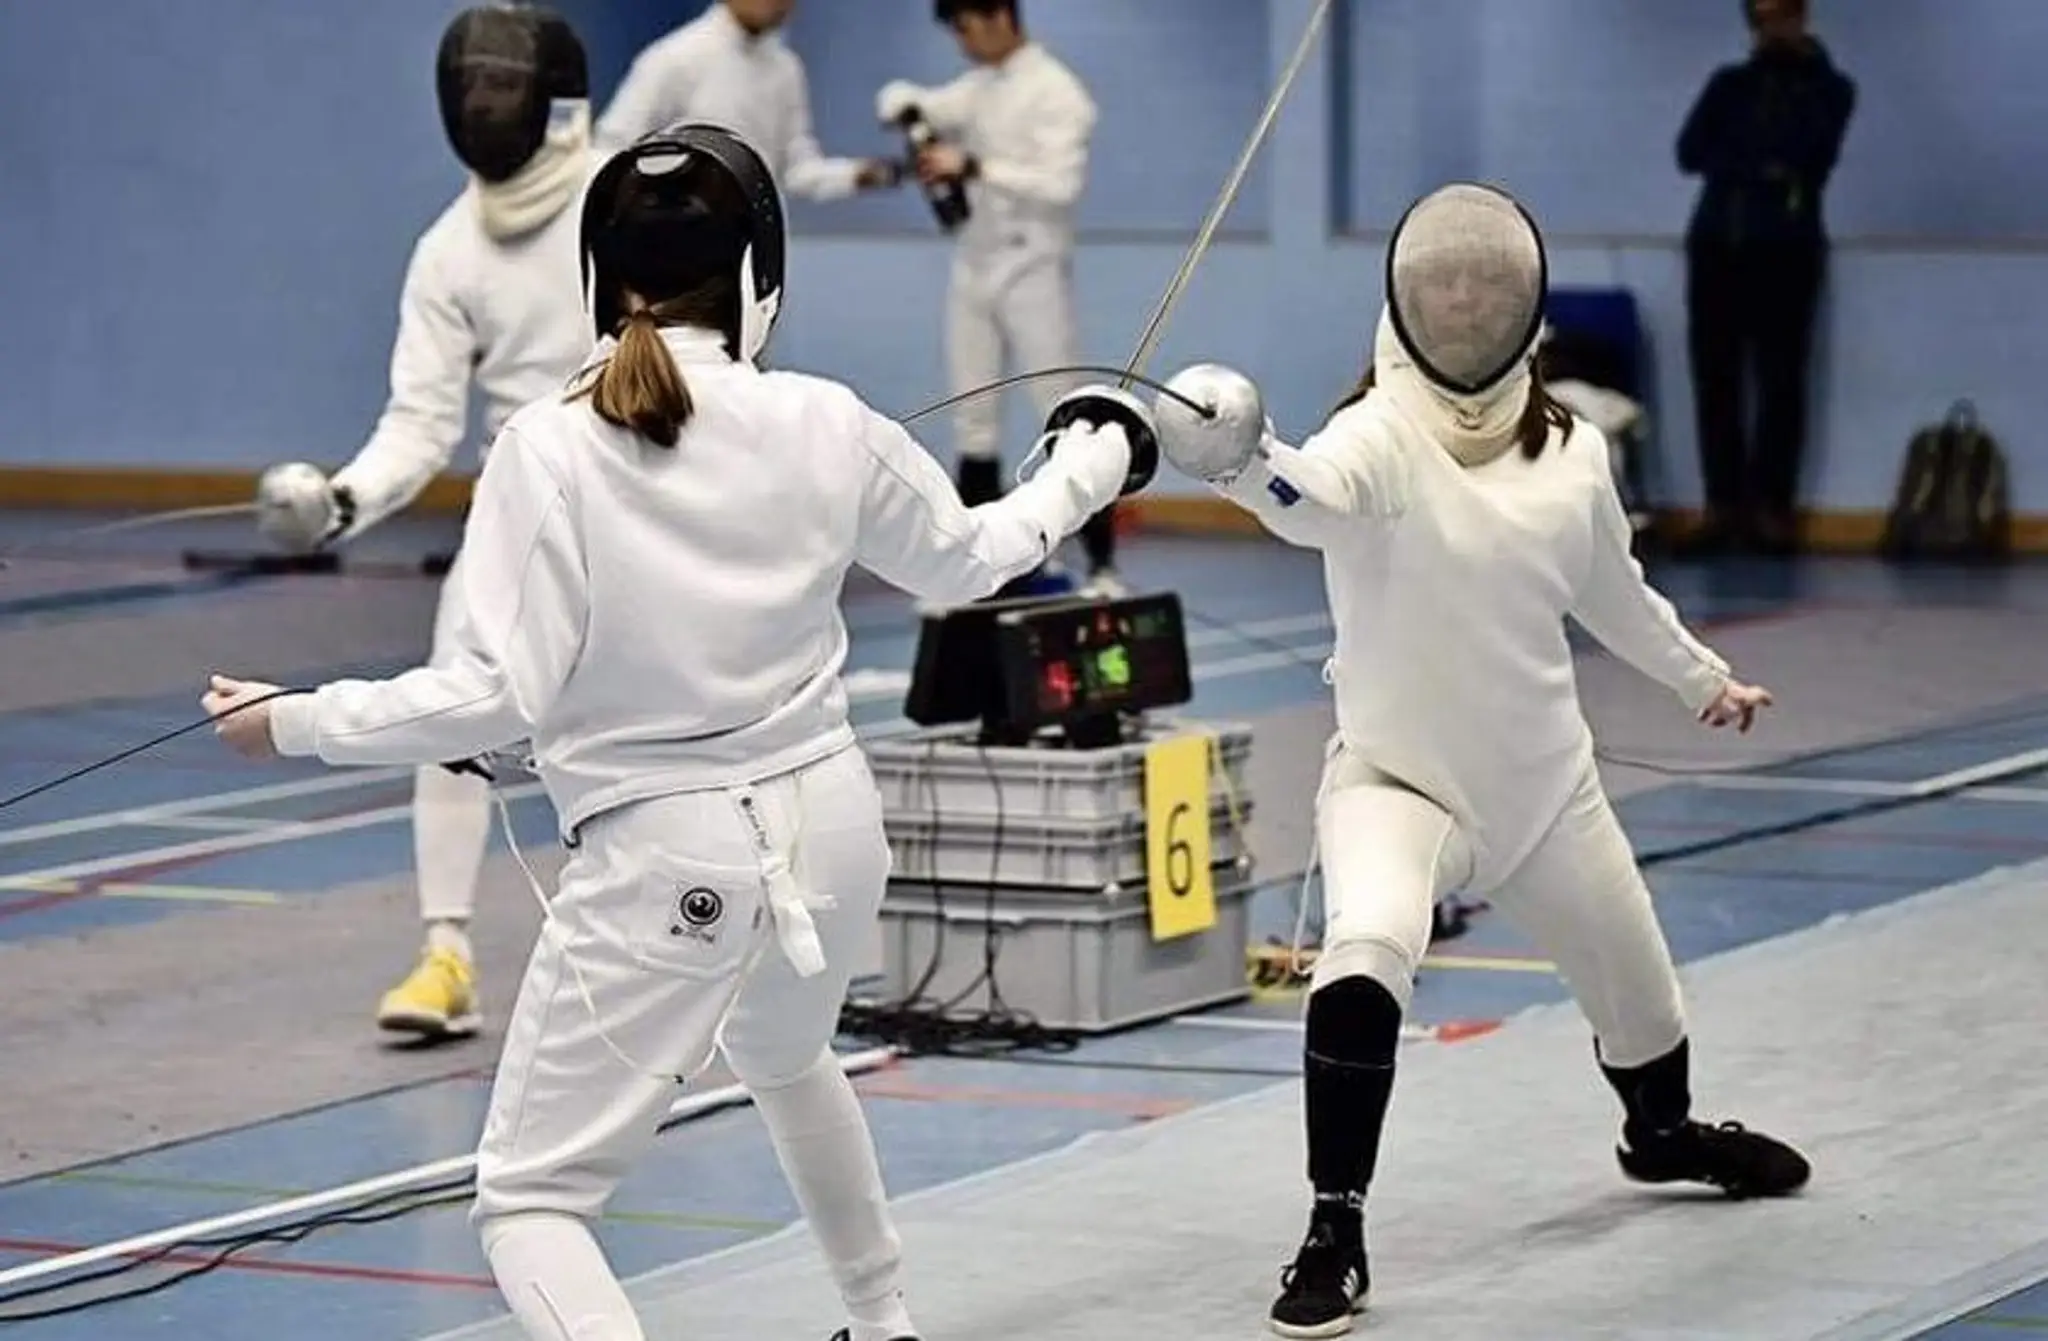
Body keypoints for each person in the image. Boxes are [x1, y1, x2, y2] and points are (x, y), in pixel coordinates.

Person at [205, 121, 1151, 1341]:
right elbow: (972, 558)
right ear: (758, 276)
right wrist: (1092, 458)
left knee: (530, 1201)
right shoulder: (824, 417)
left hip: (666, 864)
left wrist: (294, 722)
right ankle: (883, 1324)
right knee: (788, 1060)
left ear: (598, 279)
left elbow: (492, 695)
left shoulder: (548, 442)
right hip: (831, 833)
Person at [1149, 182, 1811, 1338]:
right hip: (1397, 784)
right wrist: (1240, 460)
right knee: (1363, 955)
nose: (1460, 302)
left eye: (1482, 284)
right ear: (1405, 303)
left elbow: (1614, 593)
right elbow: (1307, 496)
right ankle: (1333, 1228)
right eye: (1440, 283)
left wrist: (1701, 680)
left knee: (1645, 1010)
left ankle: (1659, 1139)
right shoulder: (1377, 437)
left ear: (1521, 309)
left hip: (1545, 789)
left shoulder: (1574, 454)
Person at [253, 4, 601, 1043]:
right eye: (471, 84)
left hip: (639, 501)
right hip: (514, 508)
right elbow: (420, 422)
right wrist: (344, 500)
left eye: (504, 83)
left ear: (555, 100)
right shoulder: (449, 250)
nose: (485, 102)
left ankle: (699, 946)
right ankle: (445, 954)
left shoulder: (626, 202)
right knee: (454, 711)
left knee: (667, 728)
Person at [876, 0, 1124, 596]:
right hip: (974, 266)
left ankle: (1103, 566)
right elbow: (907, 98)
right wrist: (908, 112)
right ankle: (973, 575)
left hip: (1033, 269)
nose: (963, 43)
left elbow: (1060, 184)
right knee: (974, 419)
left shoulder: (1060, 92)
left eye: (967, 28)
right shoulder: (978, 87)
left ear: (999, 17)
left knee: (1064, 412)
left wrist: (976, 166)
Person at [1678, 0, 1855, 557]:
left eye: (1780, 17)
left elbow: (1809, 156)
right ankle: (1722, 506)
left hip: (1785, 249)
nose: (1770, 30)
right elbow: (1690, 151)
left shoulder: (1830, 89)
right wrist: (1759, 165)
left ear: (1802, 18)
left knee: (1780, 382)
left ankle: (1773, 511)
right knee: (1716, 381)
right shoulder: (1729, 84)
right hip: (1716, 244)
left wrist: (1744, 160)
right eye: (1761, 20)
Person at [595, 0, 900, 201]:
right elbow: (610, 146)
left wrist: (860, 175)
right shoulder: (676, 58)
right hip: (675, 245)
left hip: (753, 248)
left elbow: (795, 169)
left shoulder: (785, 69)